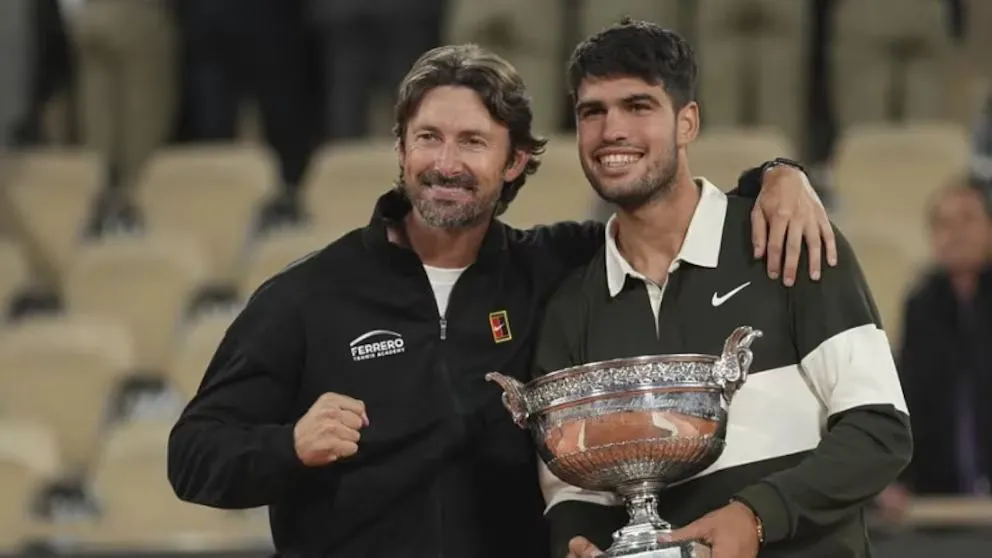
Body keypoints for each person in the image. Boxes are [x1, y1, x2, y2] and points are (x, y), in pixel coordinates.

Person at [167, 42, 835, 558]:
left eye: (473, 142)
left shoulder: (558, 266)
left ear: (515, 161)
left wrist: (778, 176)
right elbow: (193, 454)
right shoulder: (306, 296)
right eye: (428, 138)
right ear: (400, 150)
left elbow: (674, 214)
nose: (445, 163)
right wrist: (288, 446)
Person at [532, 21, 912, 558]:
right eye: (592, 111)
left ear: (688, 122)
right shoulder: (571, 306)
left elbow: (879, 431)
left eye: (638, 106)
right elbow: (572, 494)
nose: (612, 129)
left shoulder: (791, 239)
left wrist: (755, 517)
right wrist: (579, 546)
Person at [877, 179, 992, 520]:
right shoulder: (922, 304)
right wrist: (894, 478)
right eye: (942, 224)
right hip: (937, 498)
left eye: (967, 220)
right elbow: (908, 397)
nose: (954, 234)